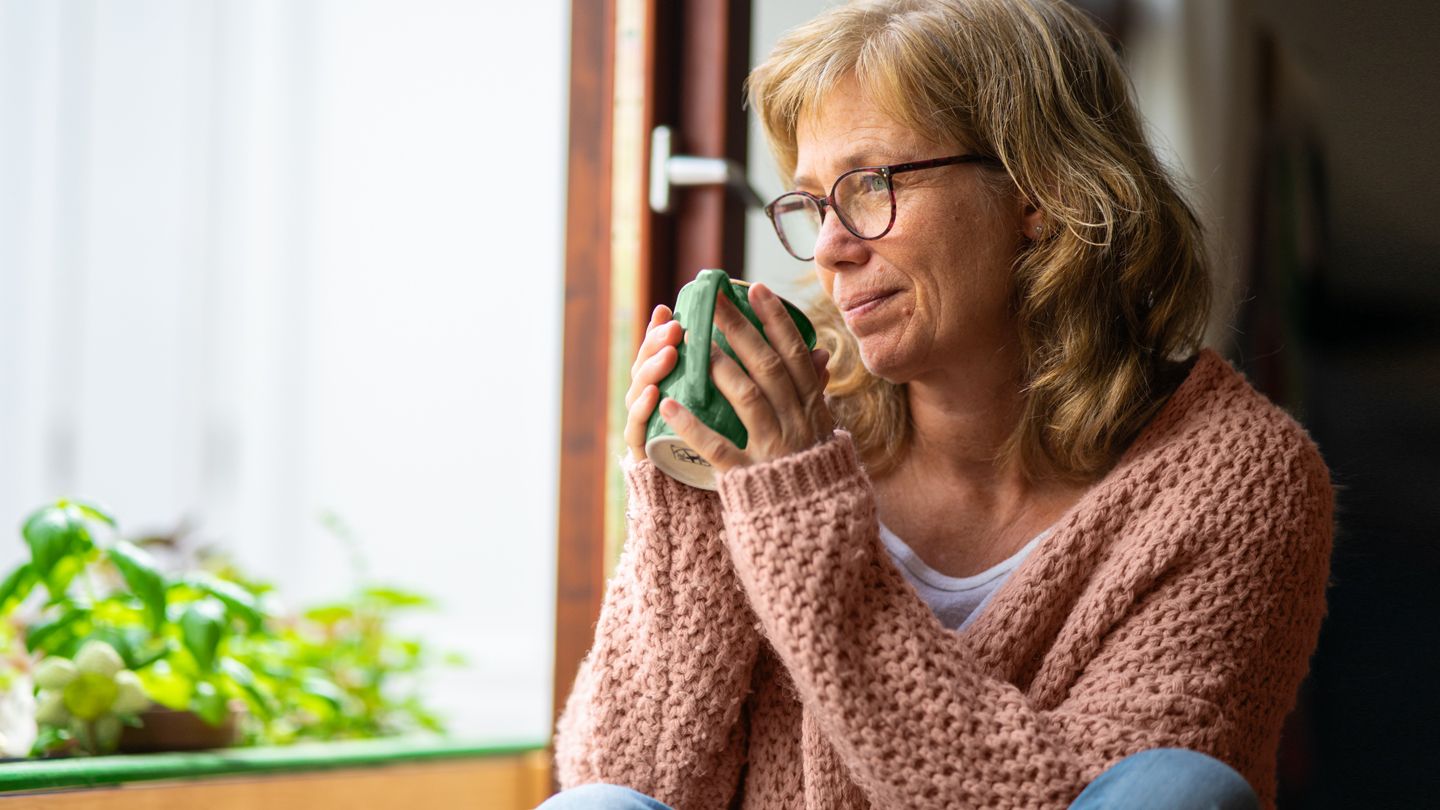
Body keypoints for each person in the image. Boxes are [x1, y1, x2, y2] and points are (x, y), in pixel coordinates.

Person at [544, 0, 1333, 808]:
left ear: (1039, 191)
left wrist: (799, 514)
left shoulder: (1236, 480)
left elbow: (1089, 797)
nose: (830, 249)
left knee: (1183, 790)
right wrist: (692, 493)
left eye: (870, 185)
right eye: (814, 205)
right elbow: (630, 776)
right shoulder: (788, 429)